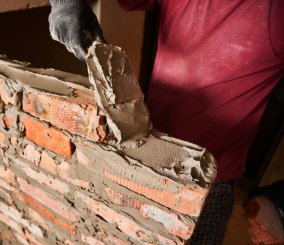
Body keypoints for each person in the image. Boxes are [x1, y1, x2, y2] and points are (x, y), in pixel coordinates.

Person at [48, 0, 284, 244]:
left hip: (212, 179)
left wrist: (280, 201)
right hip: (150, 157)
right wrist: (66, 3)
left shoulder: (275, 14)